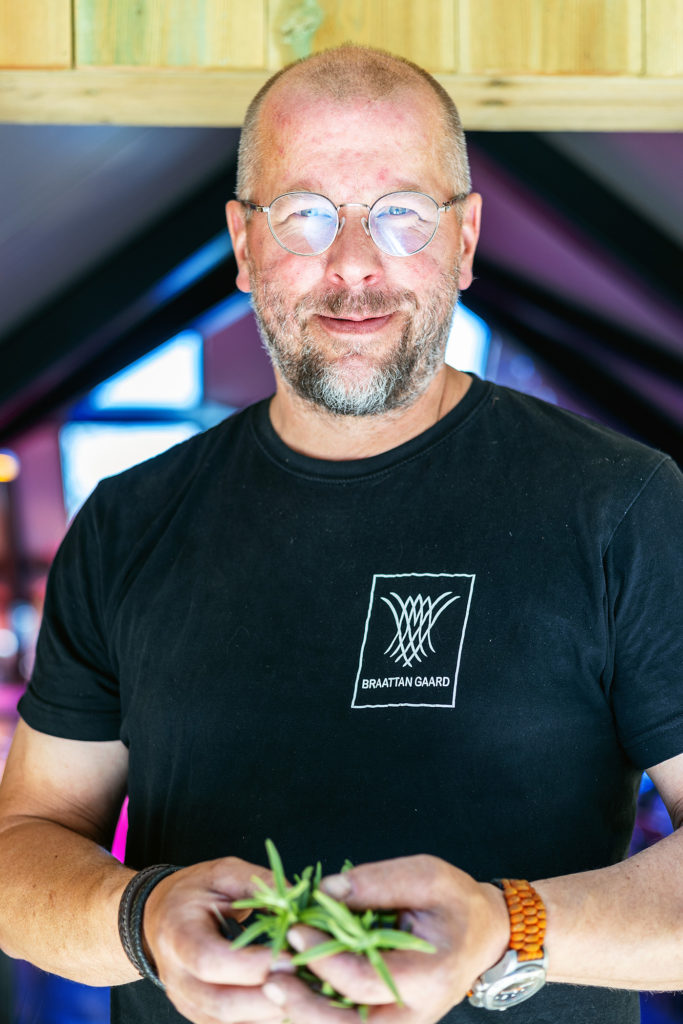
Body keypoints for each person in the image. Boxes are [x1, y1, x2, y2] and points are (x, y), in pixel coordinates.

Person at [0, 43, 681, 1024]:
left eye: (401, 213)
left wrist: (505, 926)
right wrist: (137, 916)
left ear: (465, 238)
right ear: (240, 243)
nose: (352, 263)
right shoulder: (126, 524)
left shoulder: (620, 504)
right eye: (304, 214)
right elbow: (24, 846)